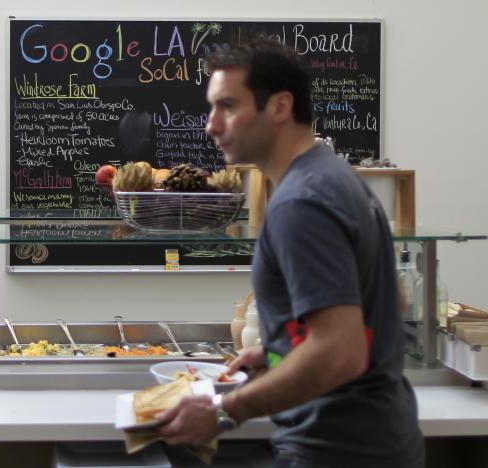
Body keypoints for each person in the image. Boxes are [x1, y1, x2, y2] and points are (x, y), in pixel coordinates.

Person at [154, 38, 424, 467]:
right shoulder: (336, 176)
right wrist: (278, 347)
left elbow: (340, 352)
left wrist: (224, 411)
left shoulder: (301, 201)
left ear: (279, 106)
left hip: (335, 449)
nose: (211, 125)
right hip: (381, 437)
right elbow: (390, 300)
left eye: (227, 106)